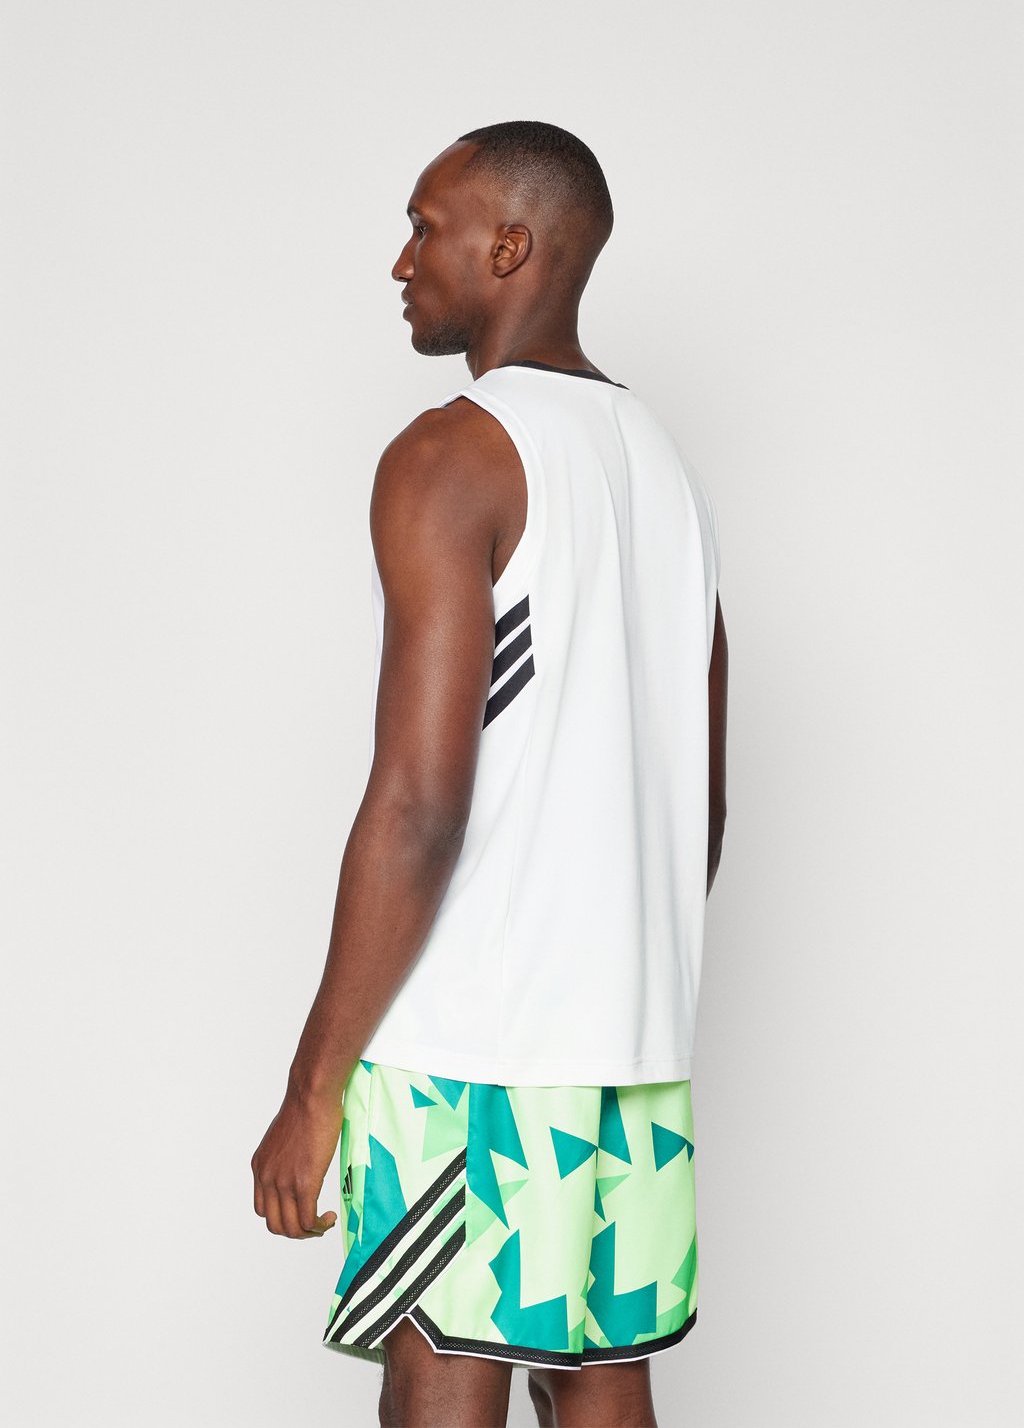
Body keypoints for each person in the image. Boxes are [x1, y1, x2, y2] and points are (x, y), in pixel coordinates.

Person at [251, 119, 728, 1428]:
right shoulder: (669, 474)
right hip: (631, 1052)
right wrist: (614, 980)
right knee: (599, 1387)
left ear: (510, 245)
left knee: (440, 1375)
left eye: (425, 226)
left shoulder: (450, 455)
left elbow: (419, 805)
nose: (401, 260)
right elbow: (703, 807)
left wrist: (313, 1092)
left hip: (475, 1049)